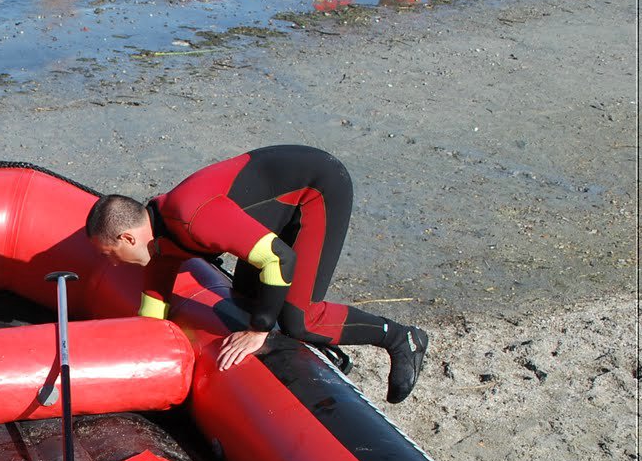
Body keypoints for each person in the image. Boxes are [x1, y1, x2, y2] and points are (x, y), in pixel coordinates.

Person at [85, 144, 429, 403]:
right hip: (269, 212)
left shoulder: (191, 218)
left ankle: (400, 337)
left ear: (127, 237)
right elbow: (153, 313)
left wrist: (258, 331)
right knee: (251, 300)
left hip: (315, 189)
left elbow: (280, 259)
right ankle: (321, 346)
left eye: (110, 254)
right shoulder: (158, 246)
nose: (113, 264)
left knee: (300, 319)